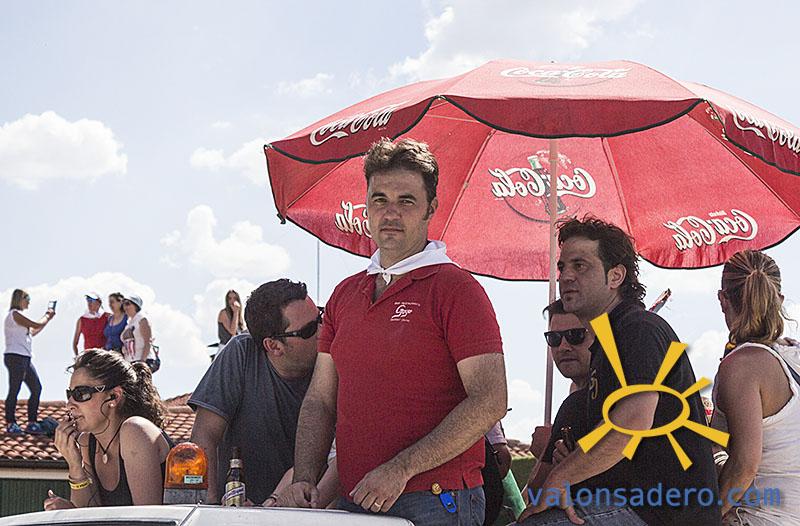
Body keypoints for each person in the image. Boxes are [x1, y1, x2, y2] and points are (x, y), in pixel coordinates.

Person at [286, 138, 507, 526]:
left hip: (437, 501)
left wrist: (402, 468)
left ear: (430, 208)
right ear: (366, 205)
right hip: (355, 501)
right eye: (380, 199)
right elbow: (320, 400)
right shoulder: (344, 294)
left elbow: (490, 400)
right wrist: (304, 477)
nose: (390, 212)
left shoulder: (457, 289)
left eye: (406, 201)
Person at [520, 217, 720, 526]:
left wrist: (561, 475)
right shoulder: (607, 343)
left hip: (662, 514)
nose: (566, 276)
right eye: (562, 267)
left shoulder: (638, 328)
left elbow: (632, 422)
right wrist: (573, 460)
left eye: (580, 265)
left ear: (616, 276)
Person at [189, 280, 321, 505]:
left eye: (321, 317)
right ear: (274, 346)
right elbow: (205, 435)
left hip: (311, 507)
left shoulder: (335, 359)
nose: (324, 330)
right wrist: (210, 508)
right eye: (309, 330)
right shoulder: (241, 352)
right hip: (238, 511)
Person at [713, 250, 800, 525]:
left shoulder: (743, 365)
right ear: (779, 299)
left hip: (762, 517)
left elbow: (744, 466)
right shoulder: (794, 356)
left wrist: (706, 517)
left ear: (723, 300)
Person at [44, 349, 173, 509]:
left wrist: (72, 512)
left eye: (81, 393)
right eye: (69, 394)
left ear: (114, 396)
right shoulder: (87, 442)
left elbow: (146, 518)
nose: (69, 404)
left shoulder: (135, 431)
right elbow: (88, 513)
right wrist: (75, 466)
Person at [523, 300, 593, 501]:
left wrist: (545, 450)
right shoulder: (576, 396)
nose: (563, 347)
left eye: (576, 335)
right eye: (554, 338)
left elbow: (536, 494)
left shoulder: (581, 402)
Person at [4, 289, 55, 435]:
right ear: (20, 299)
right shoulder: (15, 314)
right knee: (15, 389)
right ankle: (11, 423)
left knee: (36, 388)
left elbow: (33, 331)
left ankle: (32, 422)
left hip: (25, 358)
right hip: (15, 356)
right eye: (27, 299)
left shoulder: (19, 318)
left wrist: (47, 320)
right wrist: (47, 315)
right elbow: (35, 324)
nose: (29, 302)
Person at [72, 292, 109, 357]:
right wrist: (77, 357)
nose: (89, 303)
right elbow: (75, 343)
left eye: (92, 300)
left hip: (104, 356)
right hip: (89, 356)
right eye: (88, 300)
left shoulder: (107, 317)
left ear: (99, 303)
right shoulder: (82, 320)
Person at [119, 295, 151, 363]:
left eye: (127, 304)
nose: (125, 307)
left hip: (142, 360)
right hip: (130, 361)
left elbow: (148, 342)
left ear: (136, 306)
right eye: (123, 304)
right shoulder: (129, 323)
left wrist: (142, 362)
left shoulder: (142, 319)